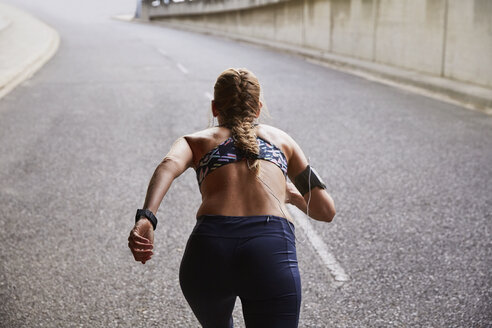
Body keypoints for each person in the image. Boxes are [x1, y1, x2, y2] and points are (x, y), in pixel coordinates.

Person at [128, 68, 336, 328]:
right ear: (258, 108)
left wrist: (147, 217)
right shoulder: (283, 141)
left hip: (208, 251)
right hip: (269, 251)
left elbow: (168, 164)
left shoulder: (196, 140)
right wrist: (292, 195)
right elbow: (325, 210)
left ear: (215, 107)